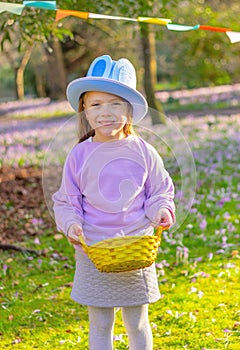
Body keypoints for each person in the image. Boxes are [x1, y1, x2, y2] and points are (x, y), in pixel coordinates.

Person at [52, 54, 175, 350]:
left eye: (115, 103)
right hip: (94, 251)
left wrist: (161, 210)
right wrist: (71, 225)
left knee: (137, 322)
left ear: (129, 110)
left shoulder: (144, 151)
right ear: (85, 110)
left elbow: (159, 190)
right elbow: (67, 201)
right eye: (96, 104)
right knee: (101, 324)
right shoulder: (79, 155)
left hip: (136, 249)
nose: (105, 112)